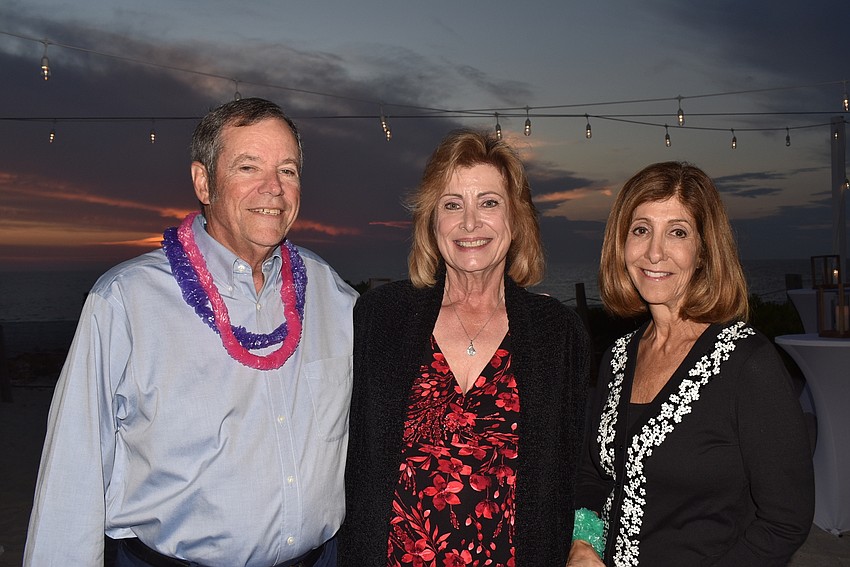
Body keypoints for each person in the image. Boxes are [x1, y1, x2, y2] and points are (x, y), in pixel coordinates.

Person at [24, 97, 357, 567]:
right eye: (248, 167)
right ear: (204, 181)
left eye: (288, 170)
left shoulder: (332, 294)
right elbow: (72, 470)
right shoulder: (126, 300)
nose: (274, 189)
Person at [339, 129, 592, 566]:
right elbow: (348, 455)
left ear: (516, 219)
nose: (469, 223)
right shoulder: (380, 318)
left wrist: (584, 543)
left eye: (489, 203)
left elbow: (578, 465)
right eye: (452, 204)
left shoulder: (558, 334)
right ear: (431, 221)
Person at [568, 161, 815, 566]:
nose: (654, 252)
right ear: (621, 243)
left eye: (677, 232)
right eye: (641, 229)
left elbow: (785, 522)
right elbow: (591, 475)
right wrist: (583, 544)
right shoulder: (617, 356)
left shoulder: (748, 362)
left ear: (703, 251)